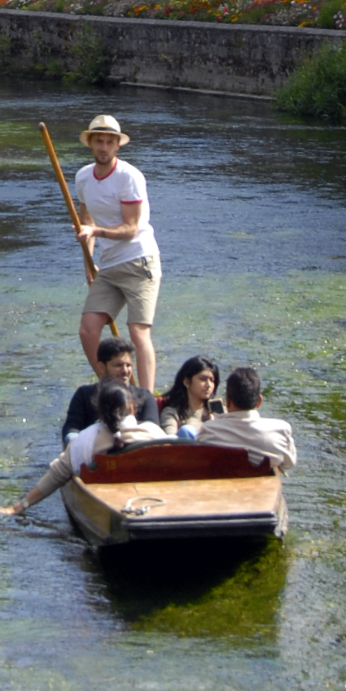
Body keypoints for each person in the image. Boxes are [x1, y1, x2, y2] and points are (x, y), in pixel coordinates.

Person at [75, 113, 161, 391]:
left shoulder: (129, 176)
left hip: (139, 261)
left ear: (117, 146)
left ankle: (146, 400)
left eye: (109, 142)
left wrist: (96, 233)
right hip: (109, 265)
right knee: (88, 330)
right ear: (90, 143)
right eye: (98, 141)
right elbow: (86, 223)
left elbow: (130, 228)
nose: (103, 147)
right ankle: (112, 388)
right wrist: (88, 265)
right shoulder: (83, 177)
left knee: (138, 332)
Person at [0, 381, 166, 516]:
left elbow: (57, 474)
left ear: (99, 409)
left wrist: (20, 506)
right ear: (132, 408)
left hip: (113, 508)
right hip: (156, 502)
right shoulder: (152, 432)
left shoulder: (85, 442)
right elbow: (178, 449)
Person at [194, 366, 297, 471]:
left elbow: (198, 459)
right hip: (262, 485)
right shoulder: (281, 430)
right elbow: (289, 463)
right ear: (259, 401)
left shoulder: (209, 429)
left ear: (228, 401)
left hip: (223, 483)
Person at [61, 335, 160, 444]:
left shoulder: (145, 396)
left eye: (128, 365)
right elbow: (71, 428)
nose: (125, 371)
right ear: (102, 367)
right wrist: (75, 443)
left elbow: (152, 428)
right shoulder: (84, 395)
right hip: (95, 450)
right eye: (118, 365)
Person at [159, 355, 221, 437]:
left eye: (212, 380)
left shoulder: (218, 412)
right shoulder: (173, 413)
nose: (209, 385)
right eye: (203, 379)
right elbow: (171, 441)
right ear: (187, 382)